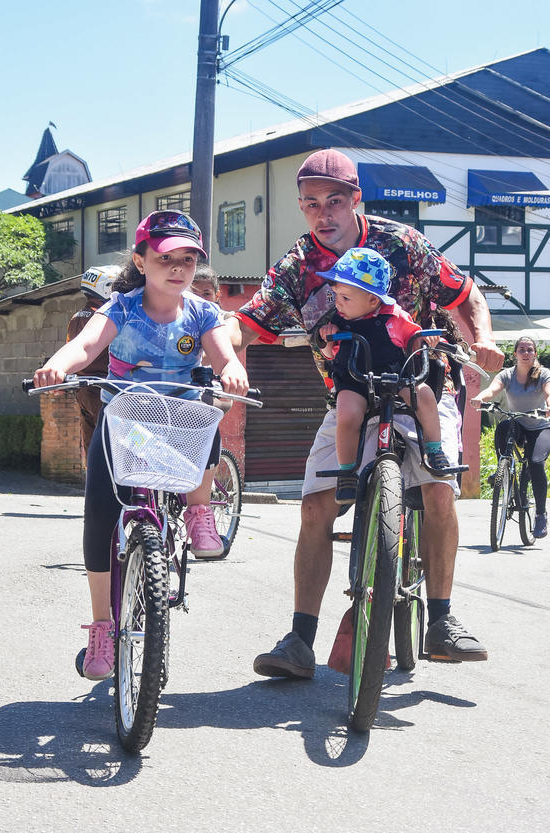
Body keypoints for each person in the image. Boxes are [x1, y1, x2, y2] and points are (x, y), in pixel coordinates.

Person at [225, 148, 504, 676]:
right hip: (350, 393)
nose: (322, 214)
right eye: (310, 204)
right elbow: (249, 320)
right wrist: (214, 347)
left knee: (439, 491)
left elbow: (464, 296)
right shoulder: (297, 266)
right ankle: (299, 640)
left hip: (421, 382)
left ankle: (442, 620)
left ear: (355, 198)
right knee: (314, 507)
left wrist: (484, 340)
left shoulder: (403, 244)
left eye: (334, 201)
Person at [33, 210, 248, 680]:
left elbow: (225, 356)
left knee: (210, 412)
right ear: (142, 260)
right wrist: (58, 363)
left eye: (189, 259)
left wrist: (233, 371)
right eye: (167, 257)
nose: (179, 267)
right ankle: (102, 627)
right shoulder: (122, 308)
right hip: (128, 423)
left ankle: (198, 511)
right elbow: (87, 346)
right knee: (99, 516)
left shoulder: (203, 312)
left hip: (181, 425)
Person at [317, 246, 454, 503]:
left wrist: (427, 340)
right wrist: (326, 339)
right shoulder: (338, 320)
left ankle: (434, 451)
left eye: (345, 298)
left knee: (424, 396)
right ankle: (347, 471)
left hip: (395, 377)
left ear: (373, 300)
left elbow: (415, 340)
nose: (338, 303)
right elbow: (328, 354)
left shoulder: (396, 317)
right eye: (336, 295)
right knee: (346, 415)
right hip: (355, 380)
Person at [471, 334, 550, 538]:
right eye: (522, 350)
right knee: (503, 427)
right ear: (515, 354)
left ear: (535, 353)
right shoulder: (507, 374)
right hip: (519, 423)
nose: (526, 353)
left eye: (529, 349)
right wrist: (480, 398)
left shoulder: (543, 374)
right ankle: (503, 470)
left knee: (535, 463)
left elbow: (548, 392)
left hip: (541, 427)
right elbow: (492, 390)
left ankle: (541, 514)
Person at [66, 265, 120, 455]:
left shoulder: (76, 317)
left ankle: (93, 480)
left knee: (93, 445)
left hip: (84, 390)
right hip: (104, 389)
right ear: (106, 288)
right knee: (122, 438)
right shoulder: (104, 318)